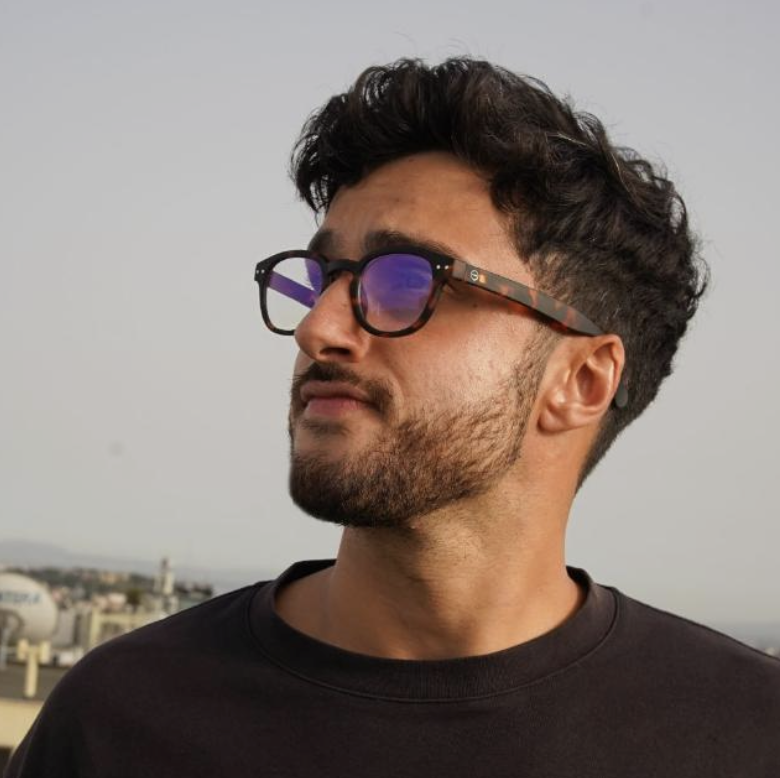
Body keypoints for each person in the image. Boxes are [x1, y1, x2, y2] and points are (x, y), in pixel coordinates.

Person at [6, 57, 779, 778]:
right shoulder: (122, 716)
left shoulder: (745, 735)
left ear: (580, 381)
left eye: (408, 281)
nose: (319, 328)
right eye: (323, 279)